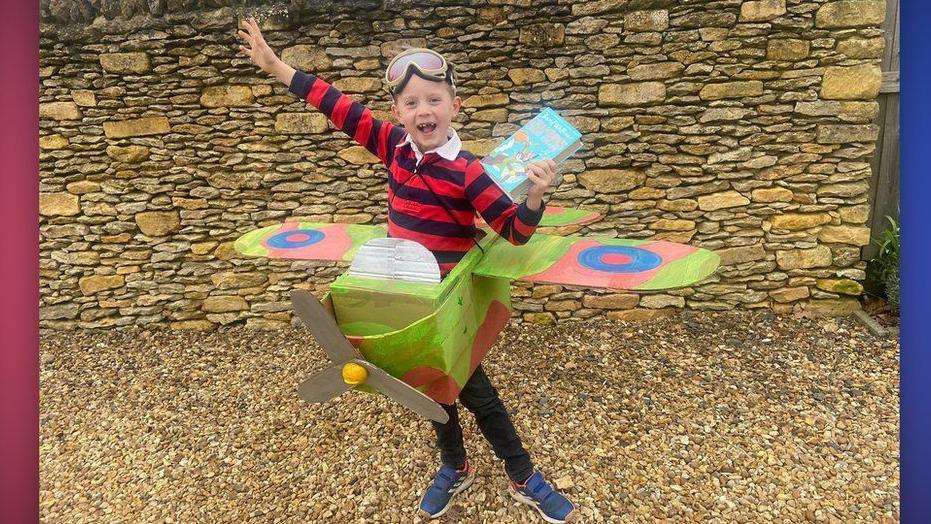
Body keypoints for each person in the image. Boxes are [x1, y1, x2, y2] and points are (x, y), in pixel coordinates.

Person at [238, 18, 576, 523]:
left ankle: (520, 471)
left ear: (454, 107)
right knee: (427, 386)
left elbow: (514, 232)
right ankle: (456, 465)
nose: (424, 110)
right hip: (404, 296)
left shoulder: (470, 172)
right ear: (398, 112)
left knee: (472, 389)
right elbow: (337, 106)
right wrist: (275, 65)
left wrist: (534, 196)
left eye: (434, 99)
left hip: (448, 301)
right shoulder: (393, 147)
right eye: (412, 102)